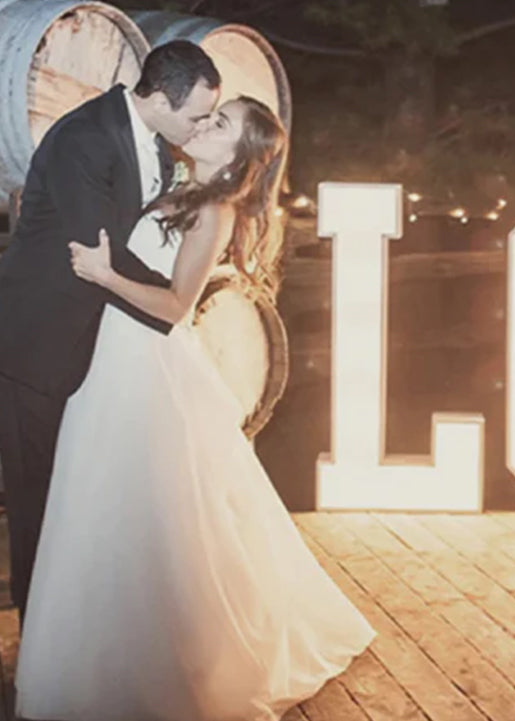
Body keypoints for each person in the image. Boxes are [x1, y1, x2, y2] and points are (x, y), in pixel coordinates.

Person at [14, 93, 376, 719]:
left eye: (223, 122)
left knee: (150, 519)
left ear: (241, 156)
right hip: (107, 362)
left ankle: (166, 664)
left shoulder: (216, 211)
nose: (208, 123)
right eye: (211, 114)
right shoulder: (179, 187)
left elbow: (176, 308)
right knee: (100, 510)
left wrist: (105, 277)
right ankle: (93, 657)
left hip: (146, 369)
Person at [0, 40, 221, 629]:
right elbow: (95, 249)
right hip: (36, 343)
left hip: (97, 344)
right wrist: (175, 304)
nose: (201, 126)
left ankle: (78, 626)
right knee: (35, 496)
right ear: (162, 98)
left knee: (78, 490)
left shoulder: (155, 142)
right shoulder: (85, 138)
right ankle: (37, 639)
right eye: (198, 114)